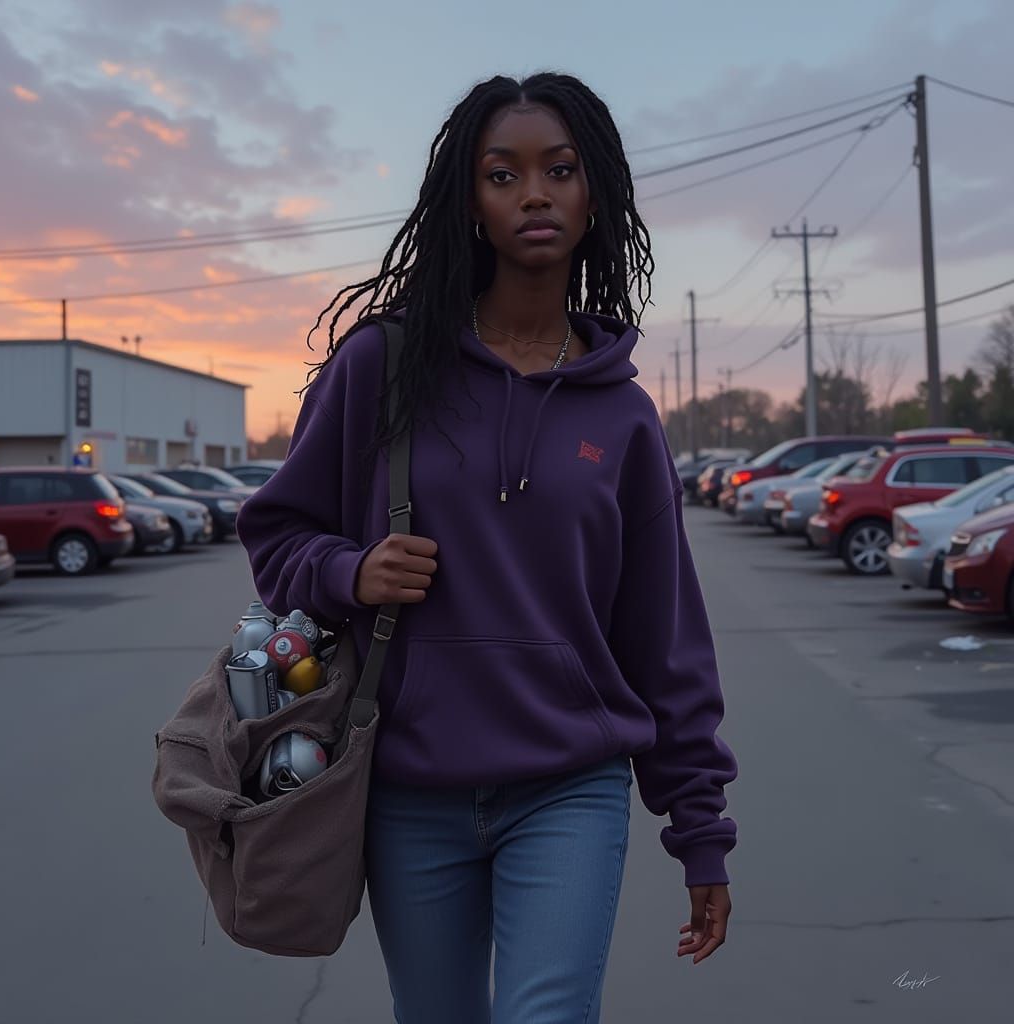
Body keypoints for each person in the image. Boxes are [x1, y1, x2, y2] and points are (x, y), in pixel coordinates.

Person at [236, 71, 738, 1024]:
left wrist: (699, 828)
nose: (534, 194)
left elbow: (663, 635)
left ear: (597, 197)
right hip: (409, 788)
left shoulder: (624, 416)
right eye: (502, 175)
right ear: (470, 201)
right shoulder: (385, 367)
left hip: (569, 788)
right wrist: (350, 573)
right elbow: (276, 529)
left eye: (559, 170)